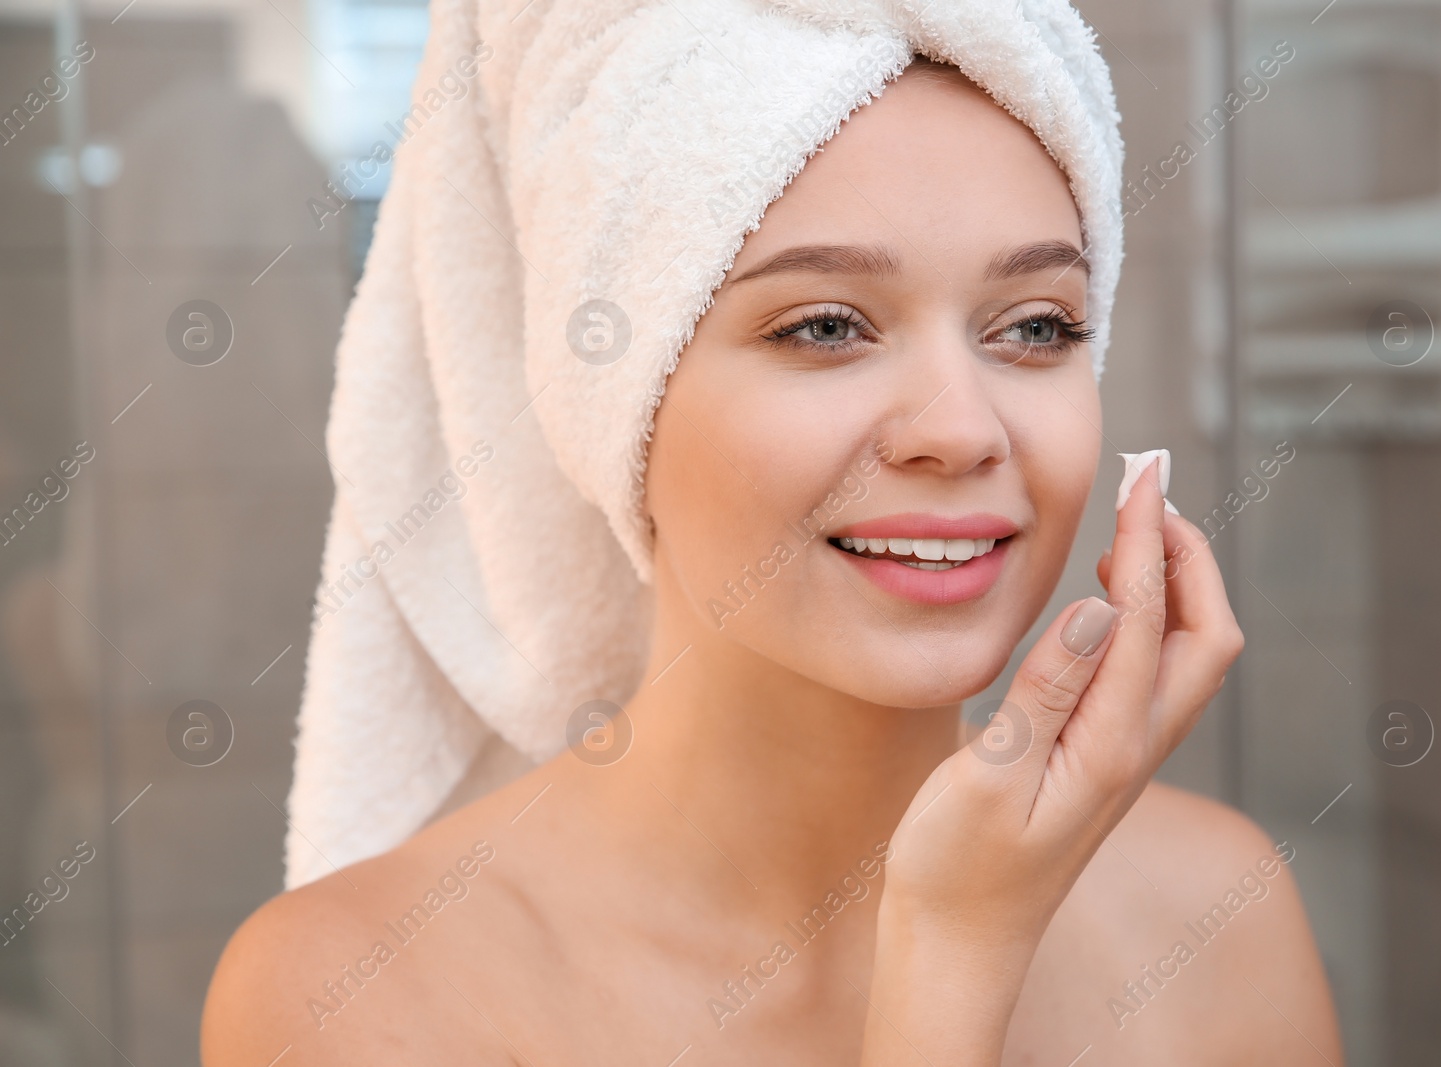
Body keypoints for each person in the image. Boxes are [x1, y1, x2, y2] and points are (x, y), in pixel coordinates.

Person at [202, 43, 1342, 1067]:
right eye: (824, 326)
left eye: (1034, 325)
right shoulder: (360, 990)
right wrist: (955, 956)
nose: (961, 427)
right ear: (611, 402)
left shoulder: (1213, 916)